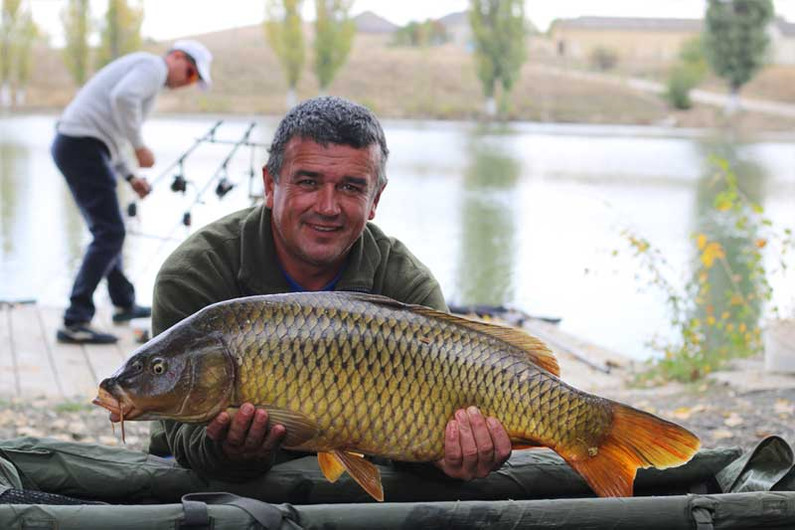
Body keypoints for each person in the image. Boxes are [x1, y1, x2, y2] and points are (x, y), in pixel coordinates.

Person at [147, 96, 512, 484]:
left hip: (361, 475)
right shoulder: (195, 272)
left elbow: (425, 444)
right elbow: (180, 434)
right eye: (308, 182)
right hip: (208, 479)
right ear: (270, 185)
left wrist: (447, 458)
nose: (327, 206)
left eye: (351, 187)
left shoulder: (408, 286)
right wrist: (229, 450)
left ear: (375, 200)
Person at [53, 40, 213, 344]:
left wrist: (130, 176)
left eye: (194, 80)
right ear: (177, 57)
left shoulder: (147, 74)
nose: (187, 82)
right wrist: (140, 146)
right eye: (190, 73)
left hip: (82, 145)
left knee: (109, 230)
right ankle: (75, 319)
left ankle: (123, 303)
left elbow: (111, 130)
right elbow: (123, 98)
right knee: (110, 232)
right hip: (81, 145)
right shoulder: (152, 66)